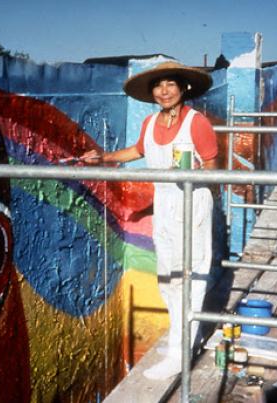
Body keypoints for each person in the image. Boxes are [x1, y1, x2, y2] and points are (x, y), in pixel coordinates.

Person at [82, 61, 217, 380]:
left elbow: (213, 168)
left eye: (171, 84)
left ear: (183, 88)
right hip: (165, 206)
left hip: (192, 205)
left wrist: (190, 175)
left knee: (191, 276)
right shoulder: (150, 122)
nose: (164, 90)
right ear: (153, 92)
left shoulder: (196, 123)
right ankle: (180, 338)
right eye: (159, 86)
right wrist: (104, 158)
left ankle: (179, 354)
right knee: (167, 278)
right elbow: (137, 150)